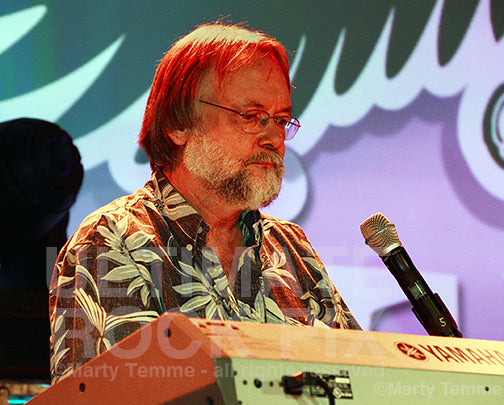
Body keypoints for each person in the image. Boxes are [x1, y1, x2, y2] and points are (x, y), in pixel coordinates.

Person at [49, 21, 360, 383]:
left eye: (282, 119)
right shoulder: (111, 241)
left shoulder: (291, 247)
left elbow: (359, 383)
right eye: (252, 117)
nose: (275, 138)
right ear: (178, 125)